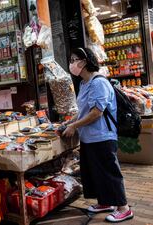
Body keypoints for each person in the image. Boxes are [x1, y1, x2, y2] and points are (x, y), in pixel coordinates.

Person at [63, 47, 133, 223]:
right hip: (88, 137)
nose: (71, 63)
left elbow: (97, 112)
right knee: (95, 172)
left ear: (84, 62)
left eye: (74, 59)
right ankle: (106, 202)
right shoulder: (83, 83)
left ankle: (123, 208)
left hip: (103, 136)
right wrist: (69, 122)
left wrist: (74, 126)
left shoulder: (99, 82)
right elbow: (83, 110)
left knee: (109, 172)